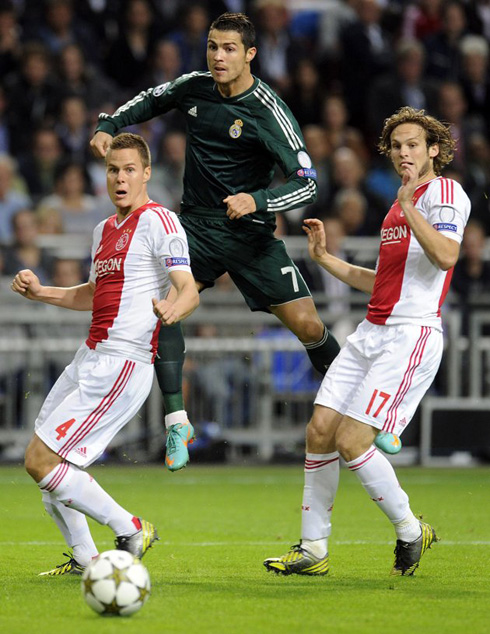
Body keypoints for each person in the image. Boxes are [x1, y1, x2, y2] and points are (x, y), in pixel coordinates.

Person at [90, 12, 341, 473]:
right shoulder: (195, 86)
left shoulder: (268, 110)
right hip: (198, 227)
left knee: (308, 326)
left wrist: (259, 200)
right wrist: (111, 122)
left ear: (250, 55)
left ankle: (353, 407)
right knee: (165, 306)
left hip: (251, 235)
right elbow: (149, 99)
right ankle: (177, 420)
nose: (218, 56)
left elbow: (308, 182)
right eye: (212, 47)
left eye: (228, 49)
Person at [263, 106, 471, 578]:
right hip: (372, 331)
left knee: (353, 440)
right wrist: (325, 259)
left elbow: (445, 255)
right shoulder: (399, 205)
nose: (404, 152)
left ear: (433, 149)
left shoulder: (445, 193)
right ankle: (314, 549)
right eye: (397, 146)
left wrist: (412, 205)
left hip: (410, 334)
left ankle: (411, 529)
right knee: (319, 431)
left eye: (413, 144)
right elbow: (381, 280)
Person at [11, 132, 199, 575]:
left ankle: (130, 527)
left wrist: (172, 309)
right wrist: (42, 293)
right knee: (50, 467)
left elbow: (187, 288)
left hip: (123, 362)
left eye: (130, 169)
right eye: (113, 169)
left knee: (41, 461)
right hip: (90, 356)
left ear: (146, 173)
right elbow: (94, 294)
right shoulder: (103, 230)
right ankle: (86, 559)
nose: (120, 178)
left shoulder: (161, 221)